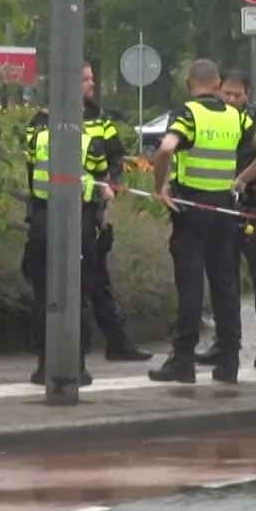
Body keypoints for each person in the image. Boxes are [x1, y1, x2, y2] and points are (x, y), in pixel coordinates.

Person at [149, 59, 256, 384]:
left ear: (190, 84)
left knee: (192, 284)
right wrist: (240, 181)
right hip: (224, 210)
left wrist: (158, 188)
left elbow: (166, 148)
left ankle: (183, 360)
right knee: (225, 284)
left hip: (191, 208)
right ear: (216, 84)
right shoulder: (235, 116)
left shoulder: (186, 113)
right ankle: (228, 362)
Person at [25, 66, 154, 364]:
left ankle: (115, 342)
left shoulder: (100, 120)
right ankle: (61, 357)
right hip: (49, 213)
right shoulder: (41, 122)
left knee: (95, 281)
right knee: (60, 284)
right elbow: (33, 169)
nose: (92, 84)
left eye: (93, 78)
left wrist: (112, 187)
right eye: (84, 79)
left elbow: (114, 161)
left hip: (88, 213)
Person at [194, 69, 256, 370]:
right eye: (227, 94)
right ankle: (225, 343)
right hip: (224, 207)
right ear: (219, 90)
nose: (232, 99)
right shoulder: (216, 117)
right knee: (225, 279)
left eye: (238, 94)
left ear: (248, 93)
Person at [22, 89, 106, 386]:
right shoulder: (91, 144)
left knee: (44, 294)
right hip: (77, 222)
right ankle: (77, 365)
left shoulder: (37, 139)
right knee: (78, 294)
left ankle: (44, 365)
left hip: (43, 219)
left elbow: (31, 172)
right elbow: (99, 182)